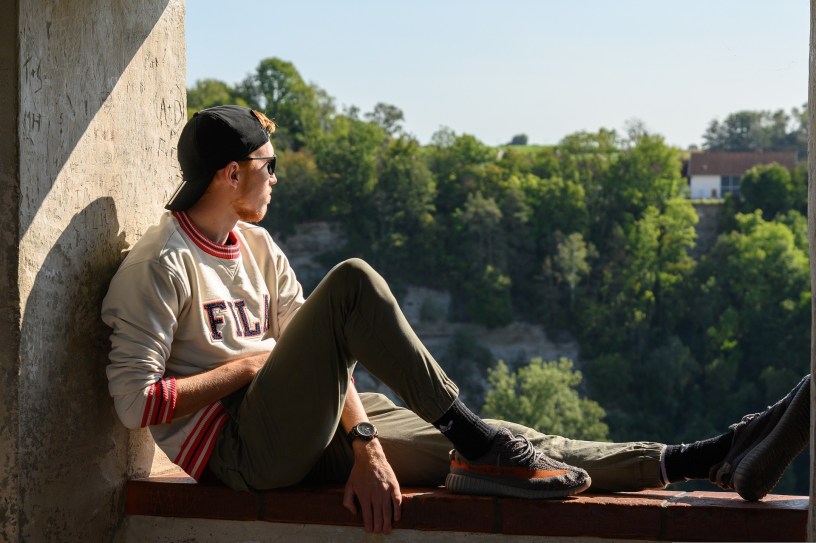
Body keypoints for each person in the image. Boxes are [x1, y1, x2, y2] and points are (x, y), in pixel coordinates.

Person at [102, 105, 811, 534]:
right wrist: (246, 367)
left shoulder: (258, 247)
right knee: (352, 282)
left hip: (303, 428)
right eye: (268, 163)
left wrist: (366, 443)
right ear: (230, 173)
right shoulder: (161, 264)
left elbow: (322, 359)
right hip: (241, 455)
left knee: (520, 447)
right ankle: (474, 437)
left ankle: (711, 457)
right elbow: (136, 403)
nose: (276, 175)